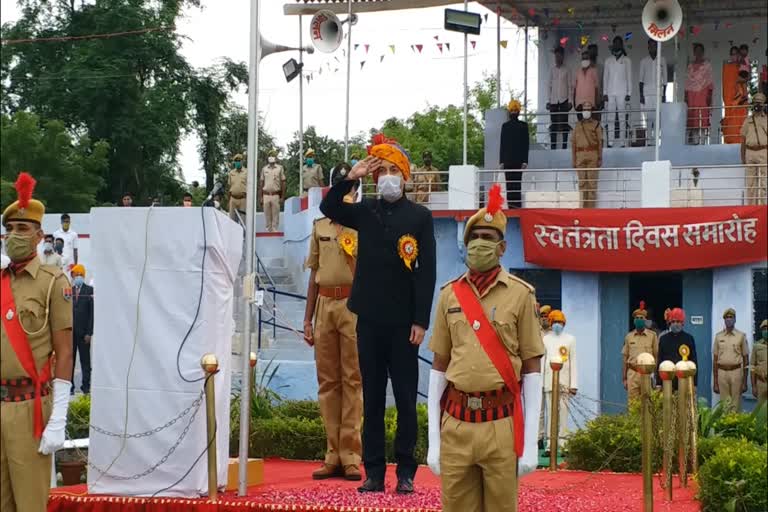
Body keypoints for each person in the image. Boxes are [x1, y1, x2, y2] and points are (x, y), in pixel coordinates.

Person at [320, 134, 436, 494]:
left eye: (392, 170)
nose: (387, 176)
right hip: (368, 320)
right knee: (371, 399)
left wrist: (420, 320)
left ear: (404, 175)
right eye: (381, 170)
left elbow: (427, 271)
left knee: (404, 400)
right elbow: (329, 209)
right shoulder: (365, 210)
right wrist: (350, 177)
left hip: (404, 326)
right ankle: (373, 472)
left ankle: (405, 473)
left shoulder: (420, 216)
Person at [426, 183, 543, 512]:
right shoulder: (449, 295)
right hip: (457, 424)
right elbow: (438, 368)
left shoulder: (521, 295)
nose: (479, 245)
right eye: (474, 238)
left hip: (501, 425)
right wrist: (434, 441)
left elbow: (532, 369)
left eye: (488, 239)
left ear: (502, 247)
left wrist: (530, 443)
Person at [1, 172, 73, 512]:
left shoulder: (53, 282)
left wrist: (59, 414)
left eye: (22, 229)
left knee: (28, 505)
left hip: (29, 408)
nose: (13, 236)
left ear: (39, 235)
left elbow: (64, 350)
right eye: (9, 229)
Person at [303, 167, 363, 482]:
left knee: (353, 381)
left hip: (353, 305)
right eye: (338, 186)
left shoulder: (362, 224)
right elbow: (313, 274)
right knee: (328, 383)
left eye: (348, 186)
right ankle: (332, 455)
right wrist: (307, 319)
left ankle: (351, 455)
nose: (343, 192)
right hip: (325, 304)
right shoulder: (319, 226)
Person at [542, 309, 577, 455]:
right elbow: (543, 362)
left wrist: (573, 385)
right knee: (550, 415)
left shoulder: (570, 339)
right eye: (555, 322)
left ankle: (563, 445)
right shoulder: (545, 339)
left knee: (563, 414)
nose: (557, 325)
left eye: (560, 322)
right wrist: (542, 383)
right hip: (549, 382)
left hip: (564, 383)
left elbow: (574, 362)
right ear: (550, 323)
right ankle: (550, 445)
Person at [622, 301, 659, 403]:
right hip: (632, 375)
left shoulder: (652, 336)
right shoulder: (629, 337)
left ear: (645, 320)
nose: (639, 320)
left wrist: (655, 376)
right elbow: (625, 358)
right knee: (633, 404)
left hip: (647, 374)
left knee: (648, 404)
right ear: (634, 321)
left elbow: (656, 356)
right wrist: (624, 378)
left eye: (641, 318)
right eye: (637, 318)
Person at [713, 308, 749, 412]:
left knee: (735, 404)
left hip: (736, 372)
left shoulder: (741, 336)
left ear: (735, 319)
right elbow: (715, 360)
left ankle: (735, 427)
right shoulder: (718, 336)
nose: (729, 319)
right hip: (722, 373)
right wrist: (715, 382)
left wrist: (745, 382)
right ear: (724, 320)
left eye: (731, 317)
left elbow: (746, 359)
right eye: (727, 317)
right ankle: (726, 427)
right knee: (725, 405)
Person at [656, 308, 698, 391]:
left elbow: (694, 361)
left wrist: (694, 383)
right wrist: (658, 383)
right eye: (673, 322)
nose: (676, 324)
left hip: (684, 379)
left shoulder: (689, 338)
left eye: (678, 322)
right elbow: (660, 361)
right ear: (670, 323)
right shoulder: (663, 339)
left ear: (682, 323)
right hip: (667, 379)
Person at [572, 101, 604, 208]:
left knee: (592, 184)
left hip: (592, 154)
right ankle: (582, 209)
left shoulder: (596, 125)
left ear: (591, 111)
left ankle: (590, 210)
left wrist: (600, 157)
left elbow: (600, 142)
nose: (586, 111)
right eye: (584, 109)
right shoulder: (577, 125)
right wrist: (573, 159)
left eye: (588, 109)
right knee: (582, 184)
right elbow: (573, 143)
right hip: (580, 154)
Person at [499, 99, 530, 209]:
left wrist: (525, 160)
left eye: (515, 110)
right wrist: (501, 161)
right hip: (510, 161)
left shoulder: (523, 126)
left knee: (515, 184)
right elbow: (502, 144)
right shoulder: (505, 126)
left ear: (518, 112)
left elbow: (526, 144)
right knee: (511, 185)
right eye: (512, 110)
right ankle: (512, 206)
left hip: (515, 161)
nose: (513, 112)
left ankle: (516, 207)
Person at [603, 36, 632, 148]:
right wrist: (605, 92)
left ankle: (623, 142)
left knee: (622, 117)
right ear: (613, 45)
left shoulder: (626, 60)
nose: (616, 45)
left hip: (622, 92)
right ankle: (610, 142)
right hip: (610, 92)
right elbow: (605, 77)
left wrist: (629, 93)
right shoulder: (608, 60)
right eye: (615, 43)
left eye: (619, 43)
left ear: (621, 45)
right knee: (610, 117)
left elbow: (629, 77)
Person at [69, 264, 94, 395]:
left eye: (79, 275)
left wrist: (89, 333)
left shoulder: (89, 290)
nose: (76, 277)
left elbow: (92, 314)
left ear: (83, 276)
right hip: (71, 334)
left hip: (84, 334)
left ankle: (86, 387)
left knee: (85, 362)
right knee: (70, 362)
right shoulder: (69, 290)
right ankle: (70, 387)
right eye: (75, 275)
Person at [740, 93, 768, 205]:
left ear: (763, 104)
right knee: (750, 182)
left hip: (763, 151)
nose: (758, 105)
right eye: (756, 102)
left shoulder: (766, 120)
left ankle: (762, 207)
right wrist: (742, 157)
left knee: (763, 182)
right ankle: (751, 207)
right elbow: (743, 140)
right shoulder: (747, 120)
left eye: (760, 102)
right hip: (750, 152)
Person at [639, 39, 668, 143]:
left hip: (658, 93)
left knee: (657, 118)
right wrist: (641, 95)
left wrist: (664, 95)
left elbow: (665, 80)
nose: (652, 48)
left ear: (658, 47)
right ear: (648, 47)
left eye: (654, 46)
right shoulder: (643, 61)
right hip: (647, 93)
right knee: (648, 118)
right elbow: (641, 81)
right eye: (650, 46)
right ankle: (649, 141)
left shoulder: (662, 60)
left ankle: (656, 140)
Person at [685, 43, 714, 145]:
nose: (698, 53)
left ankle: (702, 143)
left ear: (703, 52)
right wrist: (686, 98)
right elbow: (687, 83)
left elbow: (710, 82)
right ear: (694, 53)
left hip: (703, 94)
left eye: (700, 51)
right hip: (691, 95)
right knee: (693, 119)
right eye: (696, 51)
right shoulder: (690, 66)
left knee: (702, 118)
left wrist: (709, 97)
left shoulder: (707, 65)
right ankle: (695, 142)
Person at [548, 46, 572, 150]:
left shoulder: (567, 69)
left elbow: (570, 86)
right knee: (553, 124)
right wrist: (547, 101)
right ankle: (553, 147)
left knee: (564, 124)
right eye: (556, 56)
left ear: (563, 56)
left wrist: (570, 101)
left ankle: (564, 147)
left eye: (559, 56)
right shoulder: (552, 70)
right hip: (553, 101)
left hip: (564, 100)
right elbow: (549, 86)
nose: (557, 58)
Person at [259, 150, 287, 232]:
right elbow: (261, 183)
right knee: (267, 215)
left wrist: (283, 196)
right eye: (270, 155)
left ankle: (275, 231)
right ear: (268, 157)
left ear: (275, 158)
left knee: (275, 215)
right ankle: (268, 230)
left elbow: (283, 182)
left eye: (273, 155)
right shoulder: (264, 169)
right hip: (266, 195)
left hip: (276, 195)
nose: (271, 157)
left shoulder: (280, 168)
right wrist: (260, 197)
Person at [574, 50, 600, 118]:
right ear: (581, 60)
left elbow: (596, 87)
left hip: (591, 103)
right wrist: (574, 102)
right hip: (579, 103)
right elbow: (574, 88)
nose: (584, 60)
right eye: (583, 59)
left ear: (589, 60)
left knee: (591, 125)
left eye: (586, 58)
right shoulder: (577, 72)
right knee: (581, 124)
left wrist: (597, 102)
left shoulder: (594, 71)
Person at [751, 319, 768, 406]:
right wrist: (753, 386)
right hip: (761, 383)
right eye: (764, 329)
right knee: (761, 412)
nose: (766, 331)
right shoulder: (757, 346)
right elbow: (752, 367)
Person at [228, 153, 247, 224]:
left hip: (243, 199)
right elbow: (229, 187)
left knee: (243, 221)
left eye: (239, 160)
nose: (238, 162)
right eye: (236, 161)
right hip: (233, 199)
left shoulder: (247, 172)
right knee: (232, 221)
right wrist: (229, 200)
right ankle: (233, 235)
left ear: (242, 161)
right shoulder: (231, 173)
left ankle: (243, 235)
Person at [588, 43, 603, 122]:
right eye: (591, 51)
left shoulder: (600, 67)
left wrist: (602, 98)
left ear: (597, 53)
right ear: (588, 52)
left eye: (595, 51)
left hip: (598, 99)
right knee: (587, 121)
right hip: (587, 99)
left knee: (597, 121)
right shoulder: (584, 68)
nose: (593, 53)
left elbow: (602, 83)